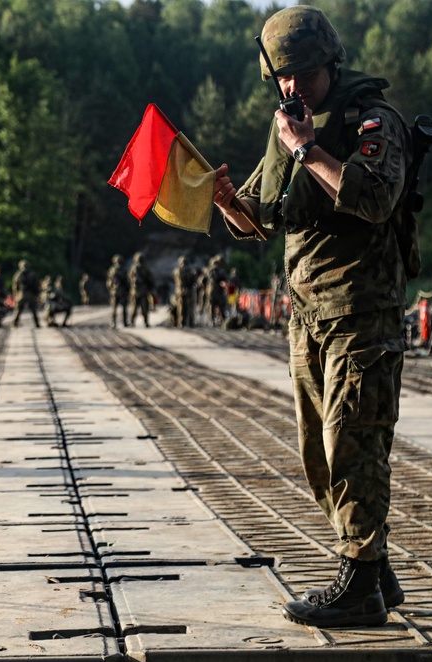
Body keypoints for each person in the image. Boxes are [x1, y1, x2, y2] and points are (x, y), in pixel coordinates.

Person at [213, 5, 411, 629]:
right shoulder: (288, 127)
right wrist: (225, 203)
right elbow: (259, 217)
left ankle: (358, 584)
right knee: (319, 455)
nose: (291, 88)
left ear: (330, 63)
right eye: (281, 77)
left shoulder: (370, 120)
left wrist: (308, 150)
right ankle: (374, 574)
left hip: (362, 310)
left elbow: (376, 197)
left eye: (301, 74)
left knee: (352, 442)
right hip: (307, 313)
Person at [127, 252, 154, 328]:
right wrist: (150, 288)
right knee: (145, 307)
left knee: (134, 307)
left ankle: (132, 321)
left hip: (134, 291)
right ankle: (146, 322)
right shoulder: (145, 269)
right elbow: (150, 280)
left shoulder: (132, 269)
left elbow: (129, 279)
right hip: (144, 291)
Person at [11, 259, 41, 327]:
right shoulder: (33, 274)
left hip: (21, 294)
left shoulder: (18, 274)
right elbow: (36, 285)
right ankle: (37, 324)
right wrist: (37, 294)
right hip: (31, 294)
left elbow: (15, 286)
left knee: (18, 310)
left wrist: (15, 295)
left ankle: (14, 323)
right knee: (34, 310)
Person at [172, 256, 196, 328]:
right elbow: (194, 281)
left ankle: (182, 322)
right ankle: (191, 322)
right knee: (190, 307)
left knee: (181, 307)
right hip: (189, 290)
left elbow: (175, 280)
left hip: (180, 291)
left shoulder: (177, 271)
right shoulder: (191, 271)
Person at [106, 254, 129, 328]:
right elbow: (127, 281)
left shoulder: (111, 270)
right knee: (124, 307)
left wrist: (110, 289)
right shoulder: (124, 270)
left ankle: (113, 322)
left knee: (114, 307)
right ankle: (125, 322)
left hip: (114, 291)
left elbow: (108, 282)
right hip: (123, 291)